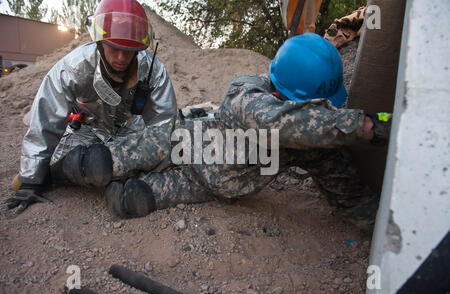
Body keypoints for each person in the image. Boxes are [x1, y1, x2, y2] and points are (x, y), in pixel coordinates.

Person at [8, 33, 391, 232]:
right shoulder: (248, 92)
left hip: (209, 185)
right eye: (320, 107)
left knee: (127, 202)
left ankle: (122, 181)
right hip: (181, 142)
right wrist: (356, 125)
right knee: (95, 164)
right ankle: (49, 176)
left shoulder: (317, 142)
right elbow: (277, 123)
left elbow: (349, 197)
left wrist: (393, 226)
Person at [6, 0, 177, 212]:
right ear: (99, 40)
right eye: (114, 47)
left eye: (129, 50)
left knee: (144, 161)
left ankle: (110, 174)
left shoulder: (154, 70)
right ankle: (61, 173)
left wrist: (154, 161)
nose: (122, 57)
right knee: (57, 164)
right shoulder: (73, 67)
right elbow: (45, 120)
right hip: (85, 129)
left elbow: (164, 125)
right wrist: (31, 179)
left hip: (132, 131)